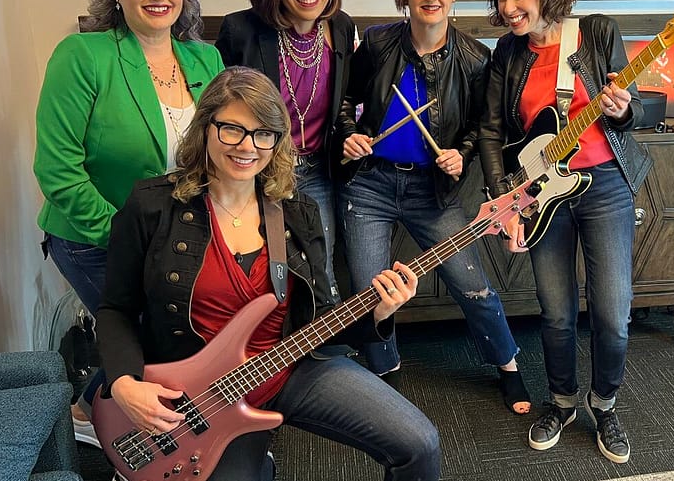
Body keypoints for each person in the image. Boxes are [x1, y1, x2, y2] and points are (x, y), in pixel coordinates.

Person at [95, 66, 440, 481]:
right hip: (200, 400)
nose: (248, 147)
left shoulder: (297, 214)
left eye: (264, 134)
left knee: (420, 443)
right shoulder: (152, 207)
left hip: (287, 368)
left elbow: (322, 316)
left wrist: (380, 311)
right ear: (205, 128)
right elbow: (115, 308)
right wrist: (124, 384)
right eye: (232, 130)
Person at [34, 0, 223, 447]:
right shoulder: (83, 54)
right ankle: (108, 424)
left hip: (175, 232)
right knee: (145, 334)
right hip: (93, 235)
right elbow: (58, 170)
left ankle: (89, 406)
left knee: (172, 331)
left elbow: (219, 149)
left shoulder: (204, 59)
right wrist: (128, 241)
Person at [336, 0, 530, 414]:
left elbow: (480, 128)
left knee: (472, 284)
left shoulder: (474, 58)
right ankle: (386, 370)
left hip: (434, 192)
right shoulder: (378, 42)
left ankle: (508, 365)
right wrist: (349, 133)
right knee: (371, 291)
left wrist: (461, 155)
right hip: (372, 183)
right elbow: (346, 100)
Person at [479, 0, 654, 463]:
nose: (509, 6)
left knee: (612, 314)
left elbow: (634, 110)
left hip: (605, 186)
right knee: (555, 312)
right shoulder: (507, 55)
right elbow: (491, 130)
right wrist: (503, 193)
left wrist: (621, 111)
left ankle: (605, 405)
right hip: (541, 191)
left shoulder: (598, 33)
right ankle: (561, 402)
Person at [216, 0, 354, 296]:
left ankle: (320, 346)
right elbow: (219, 109)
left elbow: (343, 99)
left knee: (319, 264)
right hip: (259, 166)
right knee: (264, 265)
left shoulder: (341, 27)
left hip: (317, 171)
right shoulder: (240, 30)